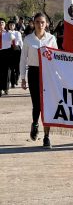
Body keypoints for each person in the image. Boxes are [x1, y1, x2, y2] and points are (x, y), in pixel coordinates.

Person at [20, 13, 58, 148]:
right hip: (34, 73)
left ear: (46, 23)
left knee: (47, 105)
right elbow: (23, 59)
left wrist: (58, 76)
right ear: (33, 23)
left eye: (42, 22)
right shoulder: (28, 39)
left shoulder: (51, 38)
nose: (40, 24)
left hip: (47, 74)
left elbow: (56, 58)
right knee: (37, 104)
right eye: (37, 22)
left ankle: (47, 137)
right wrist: (23, 78)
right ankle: (35, 124)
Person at [0, 18, 15, 97]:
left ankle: (6, 88)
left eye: (2, 22)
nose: (0, 24)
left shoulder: (8, 33)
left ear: (5, 24)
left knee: (6, 71)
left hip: (6, 53)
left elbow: (14, 41)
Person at [7, 20, 23, 88]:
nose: (11, 26)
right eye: (10, 25)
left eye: (13, 25)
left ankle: (17, 78)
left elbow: (20, 42)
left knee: (17, 66)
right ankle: (13, 82)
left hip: (17, 49)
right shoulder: (6, 33)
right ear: (8, 26)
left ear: (15, 26)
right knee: (11, 67)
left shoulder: (18, 33)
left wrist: (22, 50)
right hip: (10, 49)